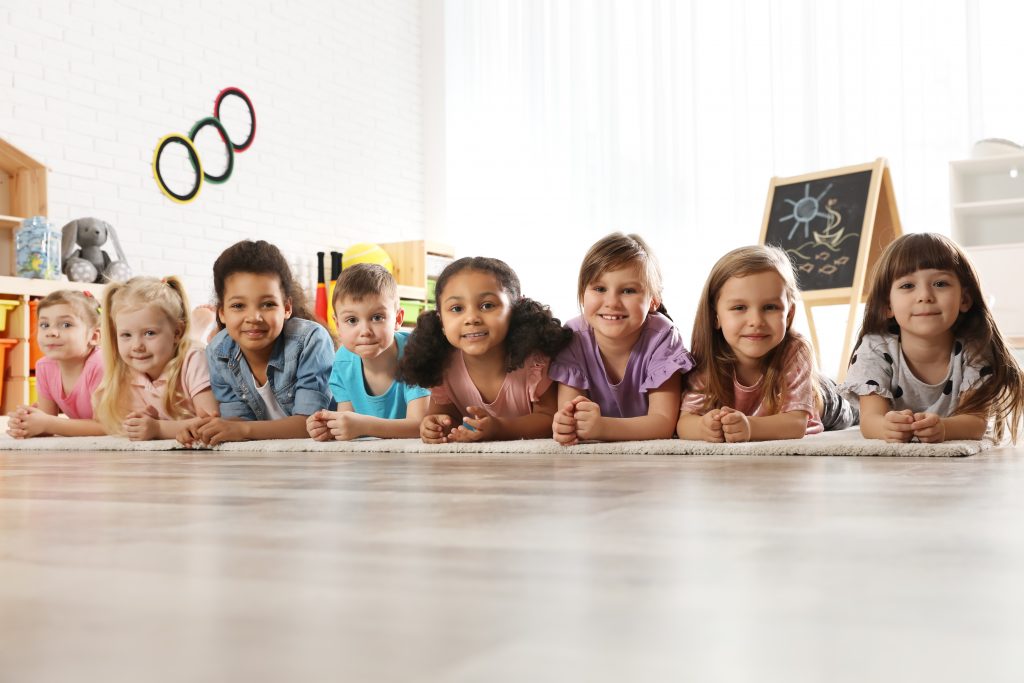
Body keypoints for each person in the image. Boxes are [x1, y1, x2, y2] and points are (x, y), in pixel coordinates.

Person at [841, 232, 1023, 443]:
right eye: (907, 286)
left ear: (964, 299)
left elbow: (975, 423)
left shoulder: (974, 348)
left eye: (940, 284)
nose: (925, 296)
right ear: (887, 305)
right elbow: (870, 421)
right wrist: (887, 427)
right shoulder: (875, 347)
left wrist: (943, 427)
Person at [678, 245, 857, 442]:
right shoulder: (708, 357)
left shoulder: (795, 350)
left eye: (770, 307)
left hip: (823, 400)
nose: (756, 321)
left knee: (857, 412)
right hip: (777, 400)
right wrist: (704, 428)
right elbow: (685, 421)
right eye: (739, 307)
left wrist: (749, 427)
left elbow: (796, 424)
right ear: (715, 317)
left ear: (789, 315)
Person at [399, 256, 572, 443]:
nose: (471, 318)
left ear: (515, 310)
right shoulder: (443, 364)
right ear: (440, 319)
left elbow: (548, 419)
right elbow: (445, 415)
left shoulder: (534, 362)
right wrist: (434, 425)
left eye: (487, 305)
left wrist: (499, 428)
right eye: (457, 308)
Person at [180, 240, 334, 446]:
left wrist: (241, 429)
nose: (253, 317)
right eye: (238, 305)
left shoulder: (310, 340)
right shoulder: (218, 351)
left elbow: (311, 424)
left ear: (286, 307)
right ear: (222, 313)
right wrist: (205, 428)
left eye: (268, 304)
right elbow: (237, 419)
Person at [550, 232, 695, 445]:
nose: (612, 302)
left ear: (654, 300)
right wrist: (566, 424)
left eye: (628, 291)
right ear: (582, 295)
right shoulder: (574, 336)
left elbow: (663, 423)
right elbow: (568, 411)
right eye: (599, 289)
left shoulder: (662, 336)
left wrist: (603, 427)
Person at [306, 263, 430, 440]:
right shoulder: (343, 361)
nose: (365, 331)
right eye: (352, 320)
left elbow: (420, 426)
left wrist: (363, 426)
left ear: (398, 319)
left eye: (377, 318)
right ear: (337, 324)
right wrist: (332, 428)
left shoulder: (415, 353)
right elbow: (348, 423)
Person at [93, 276, 218, 440]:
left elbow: (213, 422)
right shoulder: (130, 369)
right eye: (126, 335)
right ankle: (194, 330)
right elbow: (128, 424)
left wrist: (159, 428)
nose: (137, 346)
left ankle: (195, 330)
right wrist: (141, 421)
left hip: (187, 351)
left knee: (192, 346)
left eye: (149, 333)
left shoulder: (195, 359)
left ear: (177, 332)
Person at [6, 290, 105, 438]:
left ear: (94, 336)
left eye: (66, 324)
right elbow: (48, 421)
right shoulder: (44, 367)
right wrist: (29, 422)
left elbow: (107, 427)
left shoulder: (100, 365)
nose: (51, 332)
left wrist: (48, 423)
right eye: (44, 325)